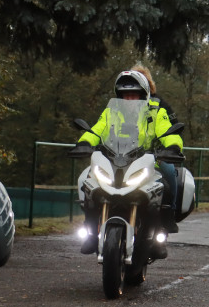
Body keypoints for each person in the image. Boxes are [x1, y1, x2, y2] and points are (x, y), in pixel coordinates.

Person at [76, 70, 183, 253]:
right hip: (114, 161)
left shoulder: (156, 111)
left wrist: (172, 146)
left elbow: (168, 132)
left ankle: (162, 230)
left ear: (143, 95)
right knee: (87, 181)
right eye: (126, 96)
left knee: (168, 179)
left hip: (148, 161)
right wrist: (84, 142)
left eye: (134, 95)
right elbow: (97, 129)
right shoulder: (111, 112)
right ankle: (91, 234)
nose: (129, 99)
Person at [128, 64, 182, 222]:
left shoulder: (159, 105)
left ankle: (169, 213)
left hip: (154, 156)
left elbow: (172, 127)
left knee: (171, 173)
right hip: (122, 156)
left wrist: (170, 147)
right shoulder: (117, 107)